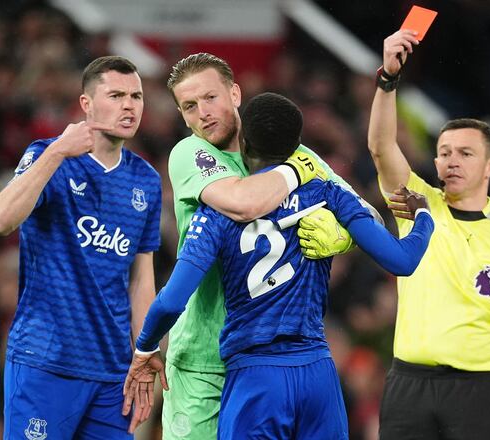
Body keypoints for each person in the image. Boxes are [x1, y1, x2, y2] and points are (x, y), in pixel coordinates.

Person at [123, 92, 435, 439]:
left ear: (243, 141)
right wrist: (423, 216)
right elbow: (402, 261)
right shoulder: (327, 193)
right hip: (317, 375)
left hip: (256, 378)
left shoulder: (217, 212)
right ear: (297, 145)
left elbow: (170, 301)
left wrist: (145, 347)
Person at [124, 53, 359, 438]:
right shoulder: (190, 154)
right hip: (203, 362)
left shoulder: (286, 151)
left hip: (267, 361)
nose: (203, 113)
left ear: (235, 93)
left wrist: (343, 235)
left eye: (210, 98)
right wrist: (299, 169)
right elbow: (245, 202)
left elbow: (370, 215)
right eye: (189, 106)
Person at [359, 29, 490, 439]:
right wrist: (387, 80)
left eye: (465, 153)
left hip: (478, 392)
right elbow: (380, 147)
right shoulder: (417, 205)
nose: (451, 161)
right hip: (408, 386)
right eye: (443, 153)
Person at [0, 56, 162, 438]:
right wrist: (56, 153)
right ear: (86, 104)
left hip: (112, 371)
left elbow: (140, 279)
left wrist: (145, 350)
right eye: (116, 95)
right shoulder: (48, 156)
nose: (129, 105)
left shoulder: (146, 181)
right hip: (46, 361)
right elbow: (0, 220)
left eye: (136, 96)